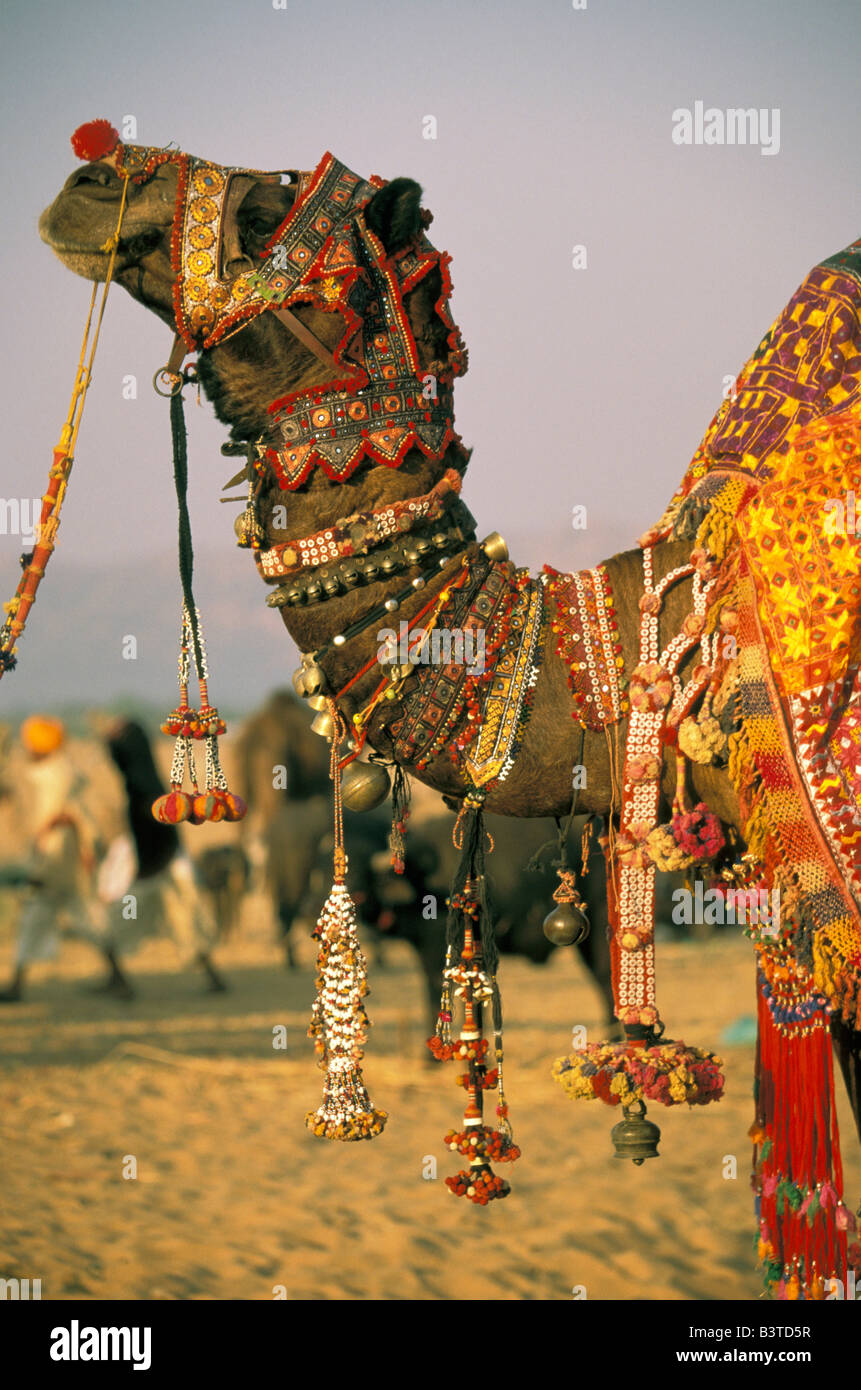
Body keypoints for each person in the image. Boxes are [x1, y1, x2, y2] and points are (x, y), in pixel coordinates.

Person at [96, 718, 227, 995]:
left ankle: (118, 981)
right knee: (186, 924)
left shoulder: (140, 786)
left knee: (121, 925)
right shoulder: (144, 779)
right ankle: (213, 978)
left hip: (157, 865)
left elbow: (158, 831)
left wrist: (148, 869)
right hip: (159, 864)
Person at [0, 715, 105, 1001]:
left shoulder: (60, 773)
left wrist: (50, 831)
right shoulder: (49, 770)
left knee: (56, 914)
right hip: (54, 856)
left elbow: (71, 813)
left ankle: (17, 985)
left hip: (57, 857)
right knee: (57, 916)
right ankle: (17, 984)